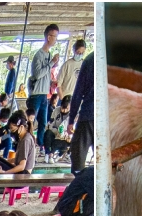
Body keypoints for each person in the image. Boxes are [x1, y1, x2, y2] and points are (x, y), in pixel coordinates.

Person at [0, 112, 36, 205]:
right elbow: (17, 160)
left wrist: (4, 172)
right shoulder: (23, 137)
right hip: (22, 175)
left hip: (23, 178)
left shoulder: (26, 140)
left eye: (12, 129)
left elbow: (22, 166)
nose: (11, 131)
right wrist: (6, 161)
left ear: (21, 127)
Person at [28, 24, 60, 154]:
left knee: (42, 123)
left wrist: (51, 82)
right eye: (55, 36)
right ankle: (28, 144)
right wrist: (52, 63)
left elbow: (45, 74)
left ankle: (40, 146)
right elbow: (37, 74)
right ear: (48, 37)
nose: (56, 39)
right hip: (36, 95)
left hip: (44, 95)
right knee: (31, 121)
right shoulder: (39, 56)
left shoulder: (48, 54)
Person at [67, 52, 94, 174]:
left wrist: (71, 119)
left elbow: (78, 93)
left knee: (78, 160)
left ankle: (82, 187)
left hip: (89, 115)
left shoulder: (90, 59)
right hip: (112, 116)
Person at [58, 39, 87, 107]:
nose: (80, 54)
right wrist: (63, 100)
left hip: (77, 99)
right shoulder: (67, 64)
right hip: (65, 98)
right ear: (74, 50)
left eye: (82, 53)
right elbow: (58, 85)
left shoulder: (85, 65)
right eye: (78, 52)